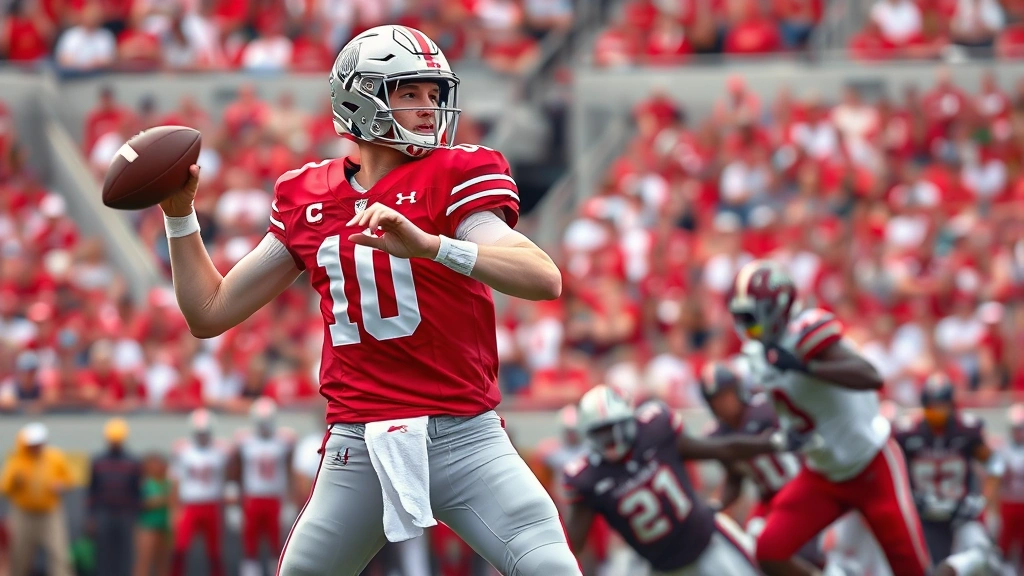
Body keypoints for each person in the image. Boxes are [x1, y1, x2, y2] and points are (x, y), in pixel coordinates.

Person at [157, 24, 576, 576]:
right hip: (359, 445)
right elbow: (209, 312)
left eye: (433, 93)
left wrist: (433, 247)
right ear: (358, 98)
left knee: (549, 568)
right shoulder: (308, 195)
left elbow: (542, 276)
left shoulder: (454, 177)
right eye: (409, 92)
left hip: (465, 434)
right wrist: (179, 214)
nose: (429, 108)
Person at [726, 259, 931, 576]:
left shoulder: (805, 332)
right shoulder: (756, 353)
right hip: (823, 474)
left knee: (914, 571)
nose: (745, 326)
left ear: (777, 308)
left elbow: (870, 377)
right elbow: (794, 405)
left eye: (750, 317)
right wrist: (790, 435)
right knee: (769, 551)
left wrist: (805, 366)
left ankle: (969, 567)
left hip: (871, 466)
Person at [563, 385, 812, 575]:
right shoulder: (587, 478)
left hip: (708, 542)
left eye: (612, 428)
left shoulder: (655, 430)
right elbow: (573, 542)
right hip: (664, 568)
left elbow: (719, 448)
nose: (608, 439)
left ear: (628, 420)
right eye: (599, 432)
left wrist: (772, 442)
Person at [699, 362, 825, 568]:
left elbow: (771, 442)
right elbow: (735, 478)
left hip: (801, 489)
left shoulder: (763, 408)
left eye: (727, 395)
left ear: (738, 390)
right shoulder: (717, 435)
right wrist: (716, 506)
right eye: (717, 400)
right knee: (754, 551)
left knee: (804, 554)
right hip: (769, 500)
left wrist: (730, 447)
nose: (725, 403)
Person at [894, 373, 1004, 576]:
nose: (938, 411)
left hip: (960, 516)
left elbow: (995, 464)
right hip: (924, 517)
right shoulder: (908, 433)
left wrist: (984, 500)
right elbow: (892, 469)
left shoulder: (966, 431)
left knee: (986, 559)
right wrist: (907, 499)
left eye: (942, 404)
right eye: (933, 405)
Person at [0, 423, 74, 576]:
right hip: (23, 514)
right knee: (18, 556)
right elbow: (4, 488)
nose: (36, 447)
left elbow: (69, 479)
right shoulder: (17, 461)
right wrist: (15, 481)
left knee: (59, 555)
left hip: (49, 514)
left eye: (39, 443)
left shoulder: (55, 457)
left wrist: (61, 485)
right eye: (33, 444)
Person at [231, 398, 295, 576]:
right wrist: (234, 501)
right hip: (252, 498)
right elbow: (236, 472)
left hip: (275, 498)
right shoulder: (245, 441)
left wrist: (289, 501)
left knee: (278, 547)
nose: (264, 426)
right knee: (250, 546)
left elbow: (289, 472)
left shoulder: (284, 440)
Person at [169, 409, 228, 576]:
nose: (202, 436)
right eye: (199, 433)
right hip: (190, 504)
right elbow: (175, 481)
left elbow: (228, 477)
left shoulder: (220, 450)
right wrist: (174, 509)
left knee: (215, 552)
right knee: (180, 548)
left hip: (212, 504)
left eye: (205, 433)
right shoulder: (183, 451)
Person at [87, 418, 142, 576]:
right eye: (112, 441)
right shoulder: (97, 461)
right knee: (104, 553)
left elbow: (137, 491)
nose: (114, 444)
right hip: (103, 513)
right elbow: (92, 491)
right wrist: (91, 517)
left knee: (125, 554)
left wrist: (136, 516)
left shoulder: (133, 462)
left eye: (117, 441)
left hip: (126, 514)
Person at [134, 452, 171, 576]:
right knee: (144, 561)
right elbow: (140, 503)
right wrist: (160, 501)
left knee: (163, 563)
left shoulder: (169, 484)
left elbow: (175, 505)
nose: (159, 466)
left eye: (160, 463)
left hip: (164, 526)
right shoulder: (143, 483)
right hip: (147, 526)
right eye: (154, 463)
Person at [998, 403, 1024, 573]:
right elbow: (993, 479)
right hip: (1008, 502)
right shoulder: (1003, 450)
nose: (1019, 432)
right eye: (1016, 428)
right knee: (1005, 544)